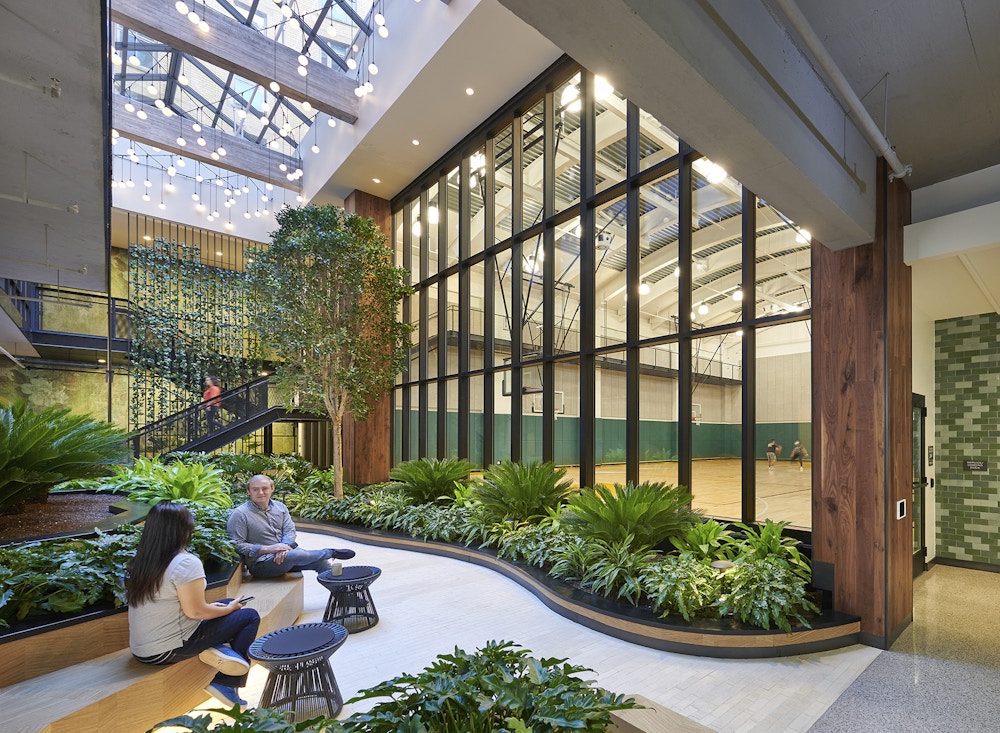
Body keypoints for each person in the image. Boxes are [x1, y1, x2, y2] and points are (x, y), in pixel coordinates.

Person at [127, 501, 260, 709]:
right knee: (249, 615)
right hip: (167, 649)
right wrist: (229, 609)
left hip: (143, 648)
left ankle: (220, 649)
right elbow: (196, 611)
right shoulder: (185, 562)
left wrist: (224, 607)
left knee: (225, 603)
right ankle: (226, 683)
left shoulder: (142, 560)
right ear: (183, 529)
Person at [227, 474, 355, 578]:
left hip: (287, 556)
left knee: (321, 563)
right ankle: (330, 552)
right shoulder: (240, 514)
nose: (261, 492)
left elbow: (289, 530)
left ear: (272, 488)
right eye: (255, 489)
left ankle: (345, 595)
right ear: (249, 492)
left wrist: (284, 547)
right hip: (261, 565)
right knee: (295, 555)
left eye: (264, 488)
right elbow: (236, 543)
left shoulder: (280, 507)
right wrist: (270, 549)